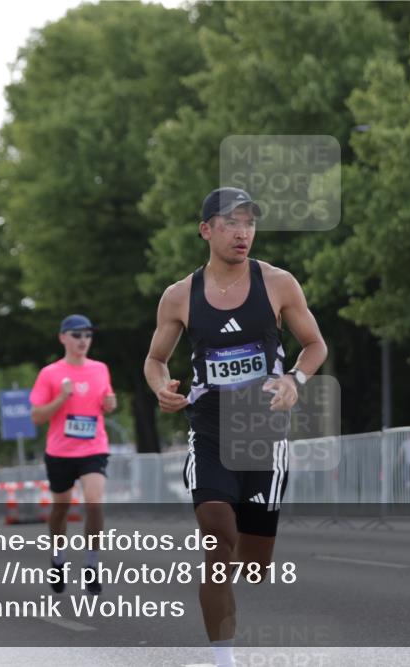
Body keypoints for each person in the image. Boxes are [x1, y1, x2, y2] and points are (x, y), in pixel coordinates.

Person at [144, 187, 327, 667]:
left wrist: (295, 379)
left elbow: (314, 345)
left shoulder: (279, 284)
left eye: (249, 222)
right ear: (206, 230)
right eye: (230, 222)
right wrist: (162, 387)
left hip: (264, 434)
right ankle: (223, 659)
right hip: (209, 429)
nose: (242, 232)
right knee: (216, 534)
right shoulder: (180, 295)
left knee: (254, 565)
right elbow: (155, 359)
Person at [30, 314, 117, 595]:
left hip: (93, 447)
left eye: (88, 335)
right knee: (61, 509)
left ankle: (92, 564)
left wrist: (110, 403)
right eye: (77, 335)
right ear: (63, 338)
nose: (83, 341)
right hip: (60, 451)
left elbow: (108, 400)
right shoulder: (50, 374)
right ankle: (58, 559)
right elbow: (36, 417)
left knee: (94, 502)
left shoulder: (101, 368)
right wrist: (61, 398)